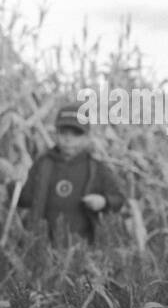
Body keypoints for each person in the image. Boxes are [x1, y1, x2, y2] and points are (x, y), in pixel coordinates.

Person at [16, 104, 124, 246]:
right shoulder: (42, 164)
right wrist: (13, 186)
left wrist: (103, 201)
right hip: (43, 246)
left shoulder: (96, 168)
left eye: (76, 134)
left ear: (87, 137)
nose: (68, 139)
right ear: (55, 134)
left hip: (81, 248)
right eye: (63, 133)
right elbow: (26, 199)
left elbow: (118, 200)